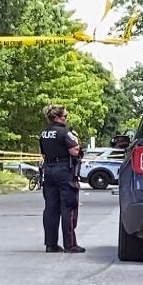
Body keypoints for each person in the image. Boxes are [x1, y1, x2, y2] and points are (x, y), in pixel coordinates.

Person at [39, 104, 86, 254]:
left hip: (49, 170)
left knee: (51, 209)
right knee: (69, 207)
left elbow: (44, 152)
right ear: (58, 117)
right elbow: (74, 150)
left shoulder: (44, 133)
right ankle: (70, 244)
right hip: (64, 170)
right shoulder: (65, 132)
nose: (66, 119)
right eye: (65, 116)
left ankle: (51, 244)